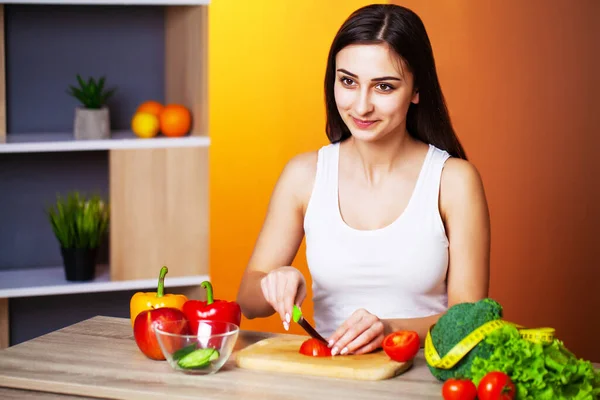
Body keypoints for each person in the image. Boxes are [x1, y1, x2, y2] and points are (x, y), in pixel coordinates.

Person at [236, 3, 490, 357]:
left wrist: (389, 330)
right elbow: (248, 302)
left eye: (384, 87)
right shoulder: (303, 175)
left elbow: (472, 321)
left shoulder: (454, 181)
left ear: (416, 91)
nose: (361, 106)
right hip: (328, 377)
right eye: (348, 82)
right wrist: (273, 281)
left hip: (420, 376)